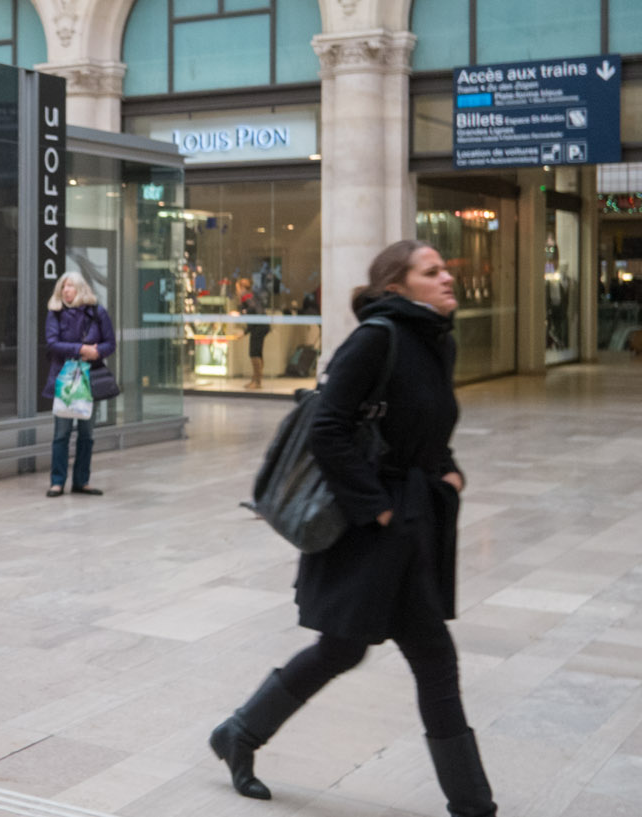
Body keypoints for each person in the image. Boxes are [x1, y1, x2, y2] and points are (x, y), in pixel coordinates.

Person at [209, 240, 494, 816]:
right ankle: (473, 807)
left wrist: (446, 470)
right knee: (404, 654)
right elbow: (329, 429)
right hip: (370, 527)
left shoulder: (436, 341)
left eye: (445, 269)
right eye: (431, 271)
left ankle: (239, 732)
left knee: (353, 649)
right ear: (397, 285)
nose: (447, 278)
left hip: (409, 521)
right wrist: (377, 507)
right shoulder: (376, 339)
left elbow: (427, 428)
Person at [42, 270, 116, 498]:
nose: (66, 291)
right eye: (63, 287)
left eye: (70, 286)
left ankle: (81, 481)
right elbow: (52, 343)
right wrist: (80, 349)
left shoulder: (97, 312)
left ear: (80, 288)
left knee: (87, 432)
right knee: (61, 433)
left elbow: (110, 343)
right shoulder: (55, 313)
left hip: (88, 378)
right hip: (65, 379)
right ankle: (57, 482)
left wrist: (96, 352)